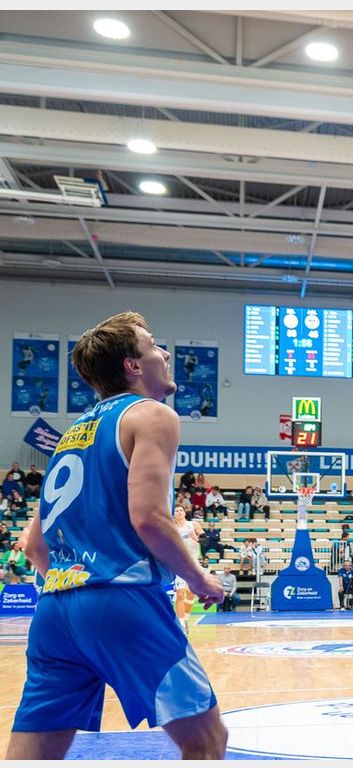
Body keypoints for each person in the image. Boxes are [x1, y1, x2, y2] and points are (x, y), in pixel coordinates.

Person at [8, 312, 226, 759]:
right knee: (207, 742)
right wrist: (199, 578)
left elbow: (33, 546)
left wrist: (77, 585)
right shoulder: (152, 415)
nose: (165, 354)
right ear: (133, 365)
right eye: (154, 345)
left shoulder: (71, 436)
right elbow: (148, 518)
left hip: (54, 612)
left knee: (33, 757)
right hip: (121, 599)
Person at [173, 505, 204, 634]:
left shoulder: (193, 525)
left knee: (191, 593)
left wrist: (197, 538)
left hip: (193, 563)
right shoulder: (171, 528)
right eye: (176, 511)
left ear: (185, 513)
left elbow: (207, 541)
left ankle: (185, 619)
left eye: (181, 510)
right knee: (180, 593)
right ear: (173, 514)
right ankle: (180, 624)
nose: (179, 512)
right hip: (178, 564)